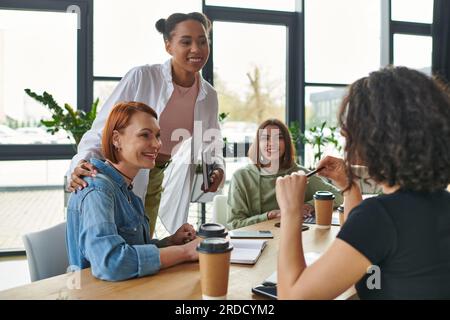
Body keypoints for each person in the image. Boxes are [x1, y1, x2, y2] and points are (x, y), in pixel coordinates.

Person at [276, 66, 450, 299]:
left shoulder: (381, 216)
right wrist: (350, 187)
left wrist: (290, 212)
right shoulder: (440, 202)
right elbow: (363, 244)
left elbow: (291, 296)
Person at [67, 12, 224, 237]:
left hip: (157, 172)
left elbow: (211, 142)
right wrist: (81, 163)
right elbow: (103, 129)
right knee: (113, 244)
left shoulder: (209, 95)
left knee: (142, 241)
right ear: (168, 45)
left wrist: (216, 168)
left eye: (202, 41)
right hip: (119, 174)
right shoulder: (143, 77)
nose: (196, 49)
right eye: (186, 42)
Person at [66, 102, 201, 281]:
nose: (156, 144)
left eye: (158, 136)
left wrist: (169, 242)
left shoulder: (129, 194)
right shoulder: (98, 190)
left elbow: (133, 249)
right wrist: (185, 252)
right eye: (145, 135)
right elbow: (111, 262)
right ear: (116, 139)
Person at [227, 119, 343, 229]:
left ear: (286, 143)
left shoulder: (300, 173)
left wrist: (308, 206)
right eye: (265, 138)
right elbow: (235, 224)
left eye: (279, 138)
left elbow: (339, 195)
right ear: (257, 144)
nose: (272, 143)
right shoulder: (241, 177)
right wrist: (269, 215)